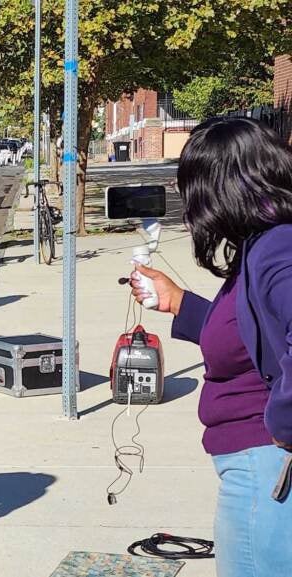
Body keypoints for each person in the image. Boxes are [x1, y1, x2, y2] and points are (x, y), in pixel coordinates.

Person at [128, 117, 292, 577]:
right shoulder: (262, 244)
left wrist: (284, 424)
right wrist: (180, 304)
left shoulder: (278, 246)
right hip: (255, 463)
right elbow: (249, 336)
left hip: (267, 464)